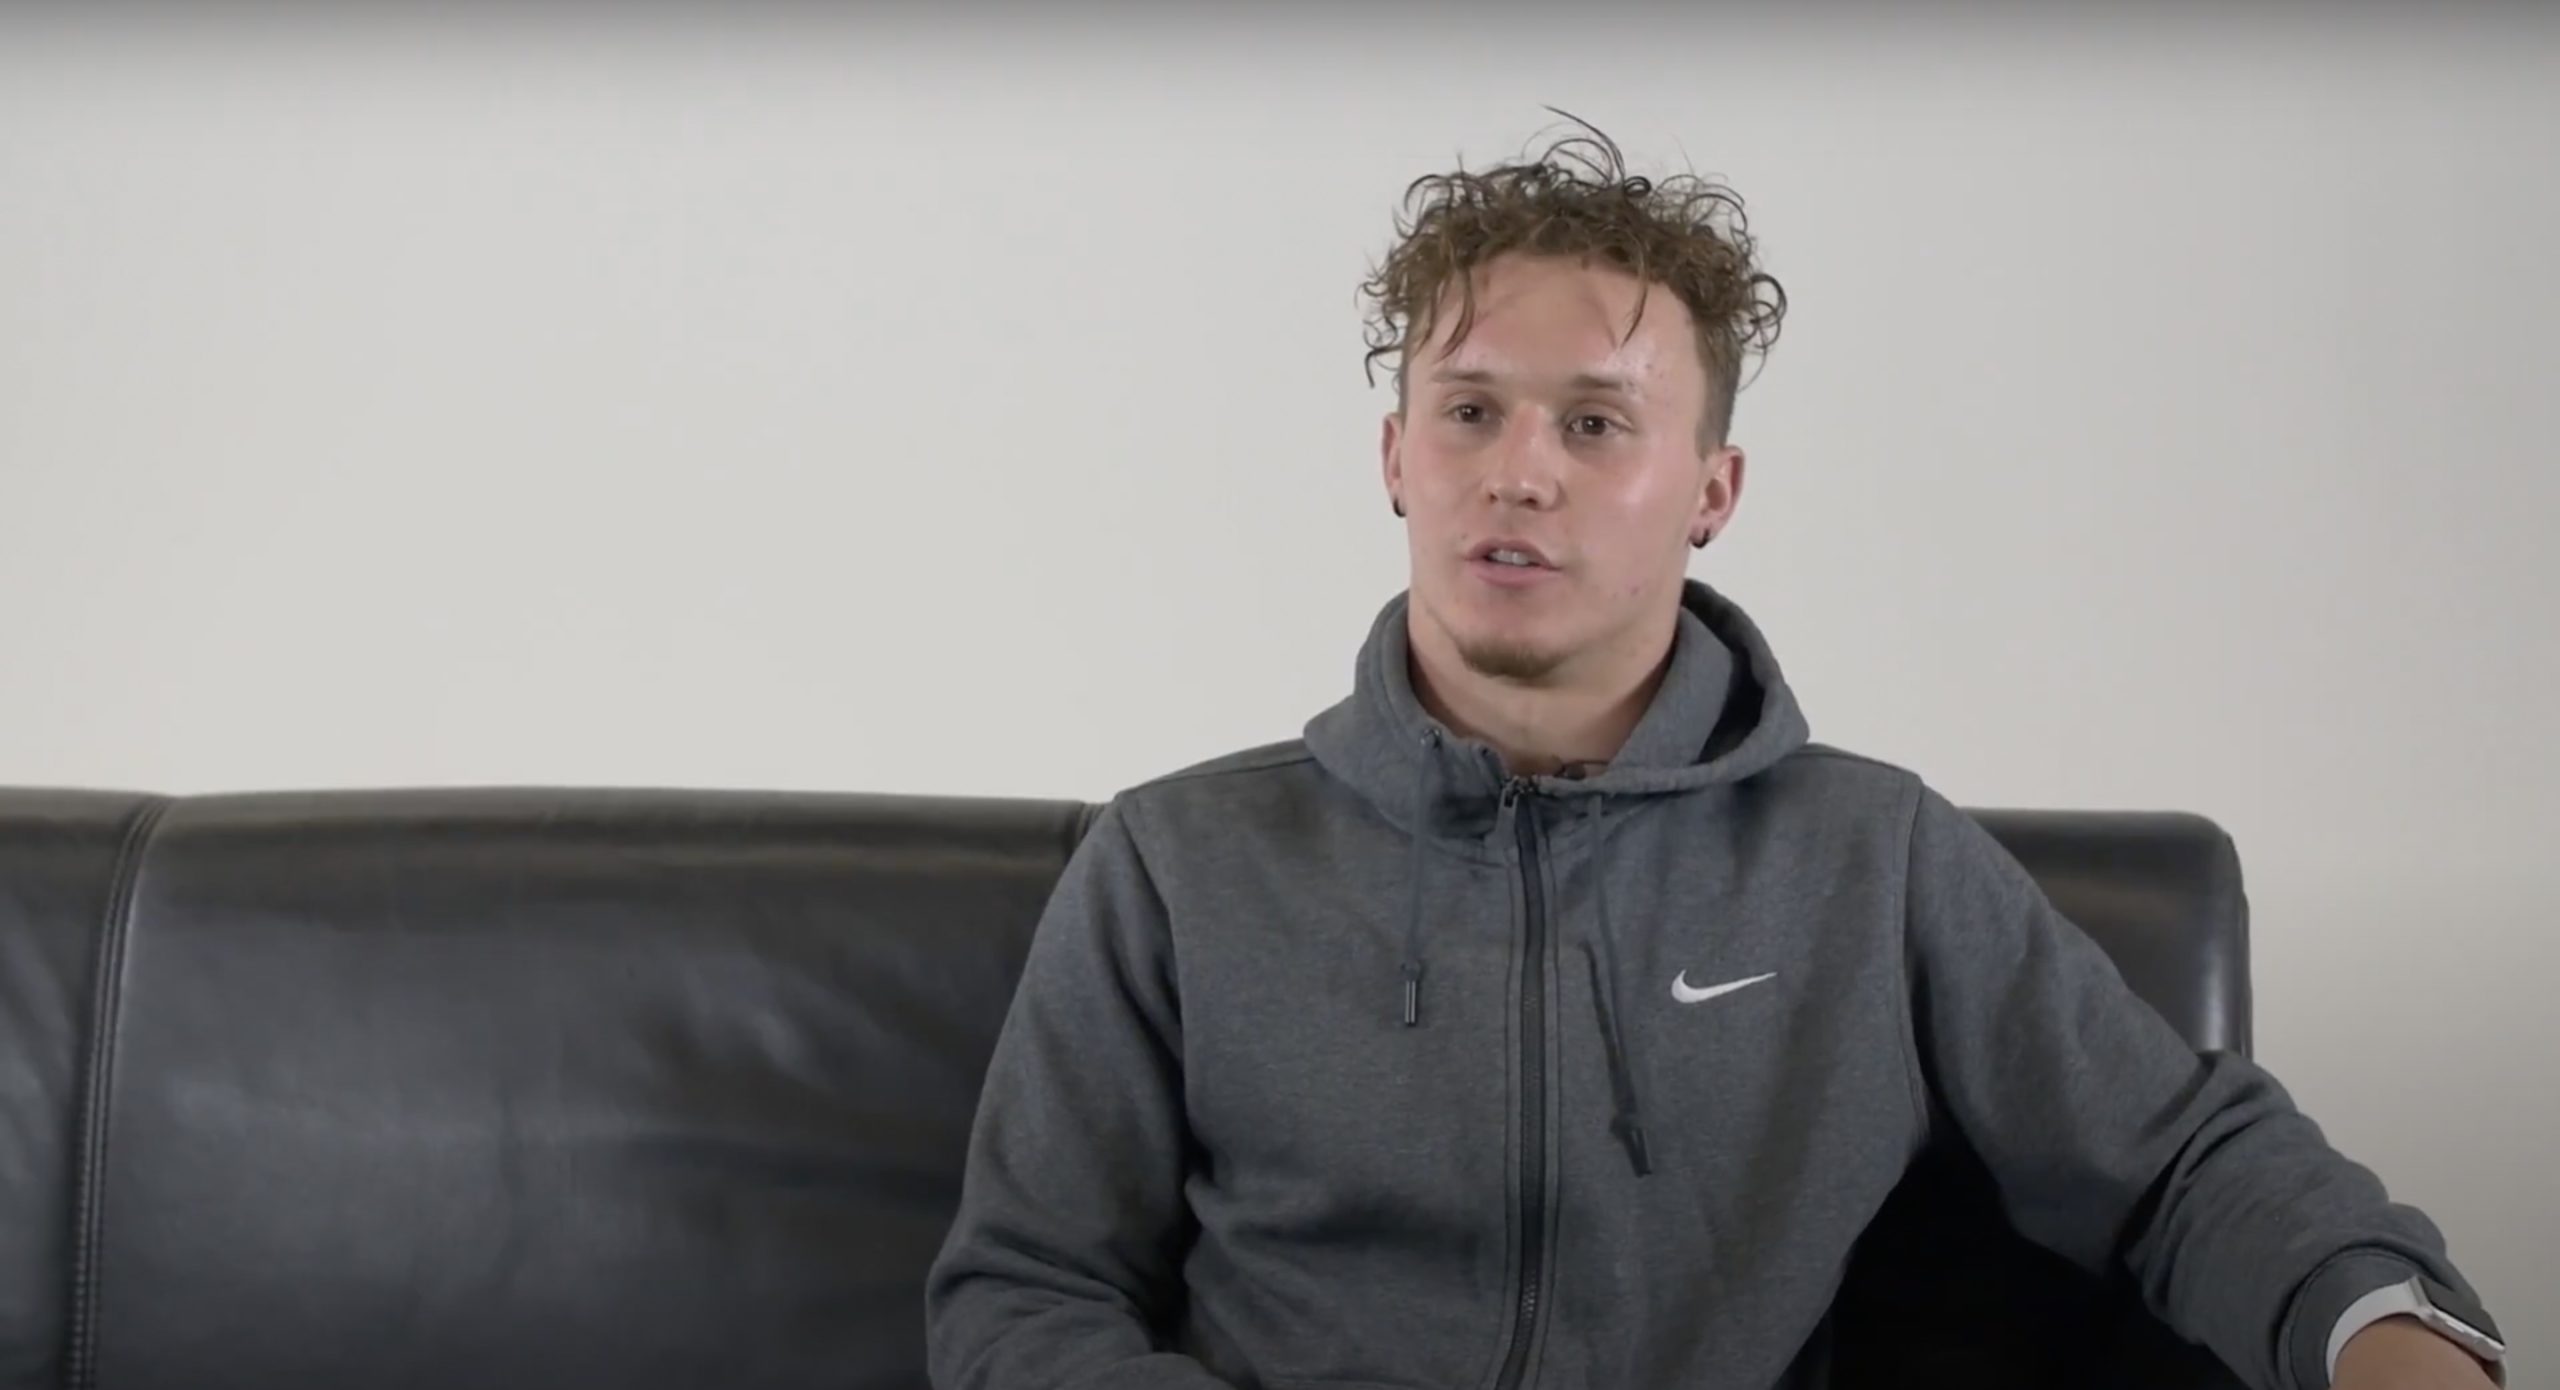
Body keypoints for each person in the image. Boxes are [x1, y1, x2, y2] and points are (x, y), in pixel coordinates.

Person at [922, 116, 2508, 1390]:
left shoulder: (1875, 860)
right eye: (1468, 412)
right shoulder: (1173, 864)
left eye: (1594, 423)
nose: (1519, 473)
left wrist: (2390, 1336)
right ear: (1395, 457)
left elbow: (2187, 1164)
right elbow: (1023, 1294)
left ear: (1712, 491)